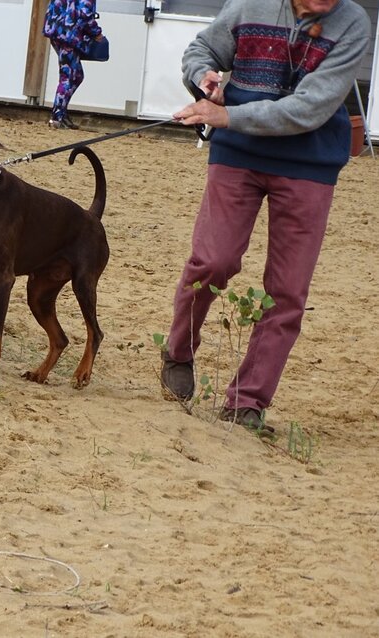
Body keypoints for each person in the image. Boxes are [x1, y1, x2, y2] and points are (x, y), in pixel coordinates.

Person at [160, 0, 370, 434]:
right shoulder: (248, 5)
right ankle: (178, 351)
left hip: (308, 165)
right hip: (237, 154)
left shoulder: (353, 23)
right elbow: (201, 49)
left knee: (288, 290)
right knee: (212, 262)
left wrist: (226, 115)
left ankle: (247, 403)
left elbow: (309, 108)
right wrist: (204, 78)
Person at [43, 0, 103, 130]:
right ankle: (56, 117)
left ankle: (61, 113)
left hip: (57, 29)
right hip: (68, 34)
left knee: (76, 75)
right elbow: (85, 13)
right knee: (69, 76)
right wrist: (97, 33)